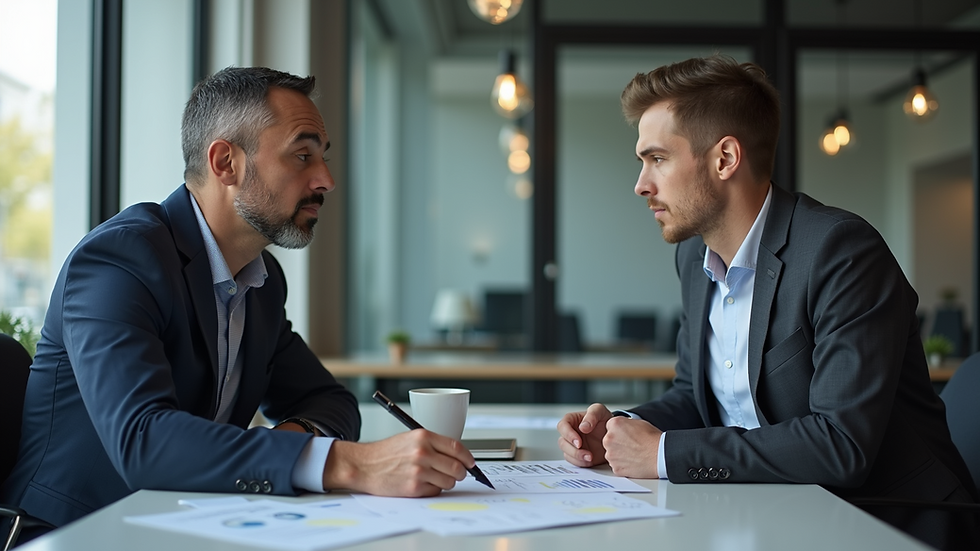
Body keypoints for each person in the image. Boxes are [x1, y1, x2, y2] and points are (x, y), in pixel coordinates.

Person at [1, 67, 476, 532]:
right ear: (226, 163)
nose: (326, 179)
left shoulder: (262, 280)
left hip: (191, 526)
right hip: (73, 533)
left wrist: (294, 447)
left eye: (323, 157)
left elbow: (330, 401)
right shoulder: (119, 261)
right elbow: (142, 442)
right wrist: (345, 464)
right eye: (302, 156)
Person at [556, 55, 977, 547]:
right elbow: (695, 396)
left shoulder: (841, 252)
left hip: (889, 522)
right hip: (775, 509)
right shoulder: (694, 259)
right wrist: (619, 430)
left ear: (725, 158)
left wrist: (664, 454)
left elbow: (841, 445)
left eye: (658, 158)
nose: (641, 184)